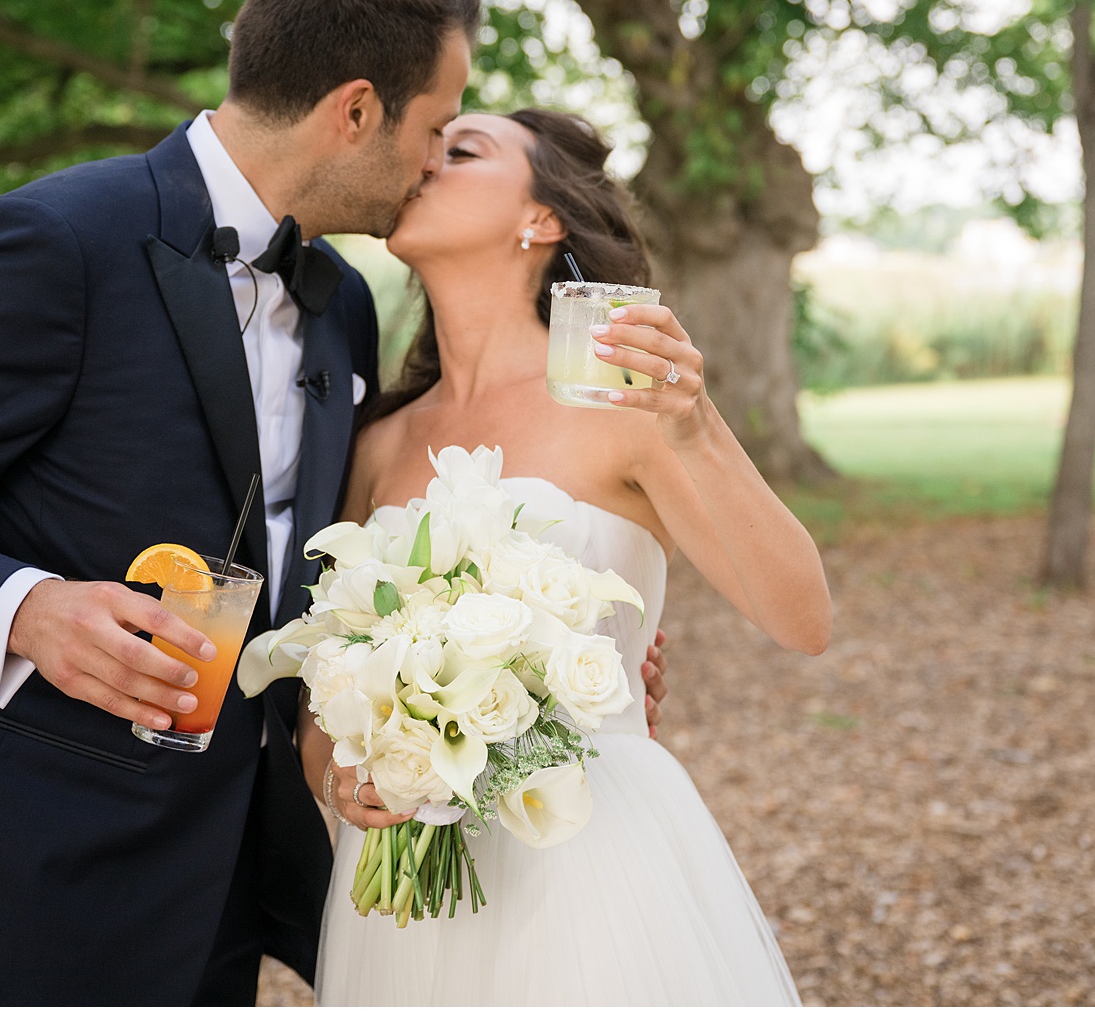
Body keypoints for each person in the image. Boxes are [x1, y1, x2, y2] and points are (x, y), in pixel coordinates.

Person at [0, 0, 678, 1004]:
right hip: (29, 878)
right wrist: (28, 610)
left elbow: (330, 553)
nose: (435, 160)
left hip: (228, 886)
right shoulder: (53, 241)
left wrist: (534, 648)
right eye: (435, 128)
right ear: (353, 112)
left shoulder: (341, 299)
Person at [301, 108, 832, 1005]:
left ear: (540, 220)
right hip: (407, 904)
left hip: (592, 861)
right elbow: (328, 696)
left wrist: (696, 428)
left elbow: (803, 618)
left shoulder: (627, 404)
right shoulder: (377, 444)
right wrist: (344, 780)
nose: (425, 159)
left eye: (461, 150)